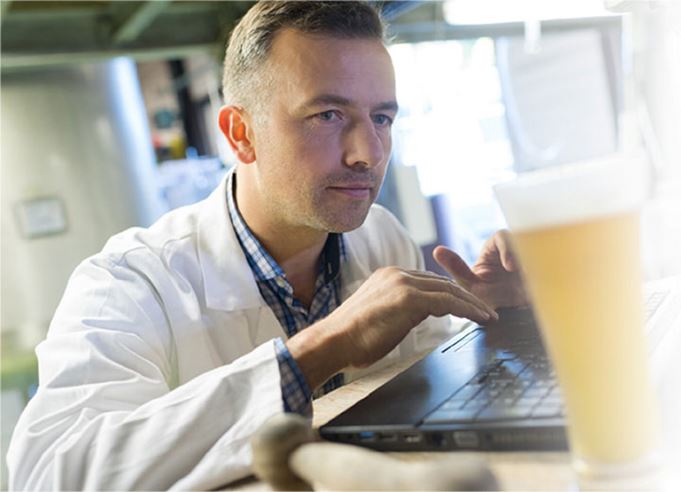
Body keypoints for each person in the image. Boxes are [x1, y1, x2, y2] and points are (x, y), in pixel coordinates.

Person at [7, 2, 527, 490]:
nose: (367, 153)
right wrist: (316, 353)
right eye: (328, 116)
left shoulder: (381, 236)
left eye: (382, 118)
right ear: (240, 133)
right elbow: (51, 472)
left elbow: (422, 389)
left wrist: (489, 320)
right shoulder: (130, 281)